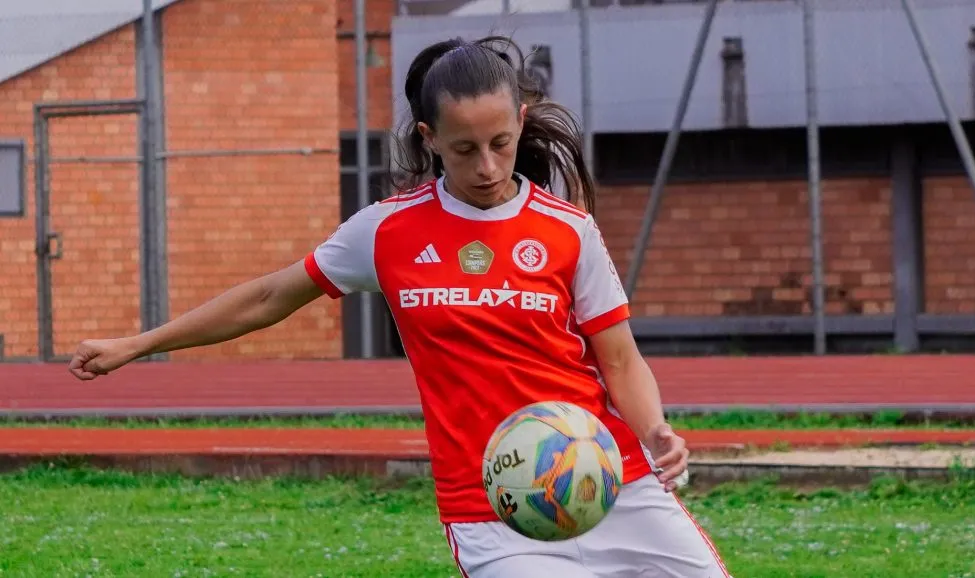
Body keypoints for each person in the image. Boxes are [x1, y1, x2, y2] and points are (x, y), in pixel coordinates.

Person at [68, 35, 730, 578]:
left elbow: (619, 359)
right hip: (492, 506)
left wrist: (655, 430)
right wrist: (137, 344)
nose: (489, 165)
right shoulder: (387, 231)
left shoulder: (568, 230)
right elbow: (271, 296)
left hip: (610, 480)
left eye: (501, 142)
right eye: (465, 148)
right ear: (429, 137)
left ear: (520, 123)